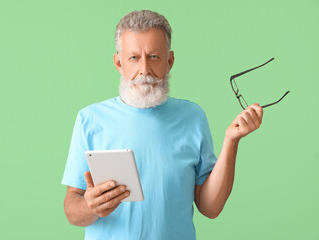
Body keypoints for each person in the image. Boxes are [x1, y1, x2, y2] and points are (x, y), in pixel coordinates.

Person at [61, 10, 263, 240]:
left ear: (170, 61)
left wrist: (231, 141)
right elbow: (72, 209)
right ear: (119, 62)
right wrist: (90, 207)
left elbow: (211, 208)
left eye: (154, 57)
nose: (144, 70)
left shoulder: (193, 117)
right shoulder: (90, 119)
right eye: (134, 58)